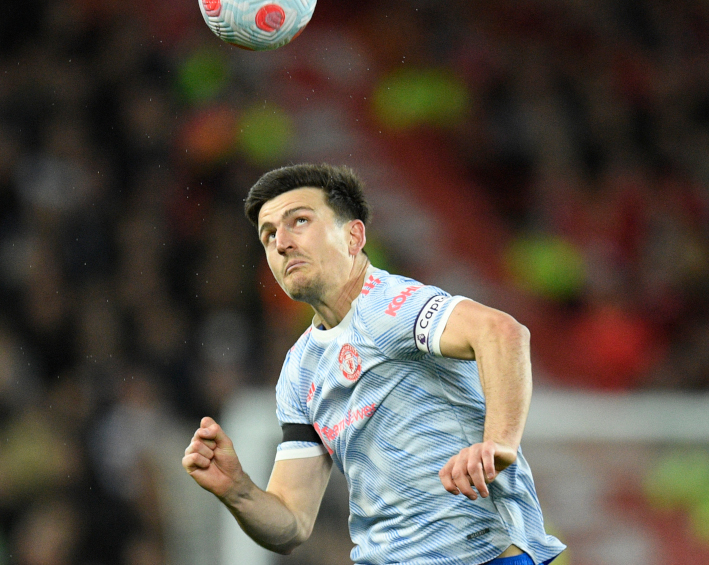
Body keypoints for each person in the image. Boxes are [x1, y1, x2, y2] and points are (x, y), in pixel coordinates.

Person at [182, 163, 565, 565]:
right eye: (269, 234)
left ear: (354, 235)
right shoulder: (299, 370)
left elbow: (502, 333)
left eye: (299, 221)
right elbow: (292, 523)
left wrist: (498, 444)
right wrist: (238, 490)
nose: (282, 243)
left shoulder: (390, 305)